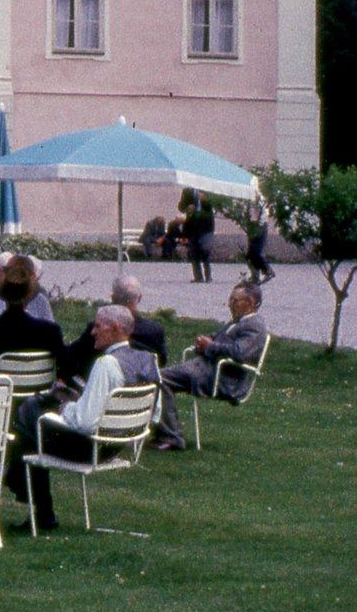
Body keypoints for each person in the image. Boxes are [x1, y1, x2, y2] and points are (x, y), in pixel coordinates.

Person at [6, 303, 161, 532]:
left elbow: (86, 422)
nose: (92, 332)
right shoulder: (148, 360)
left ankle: (33, 501)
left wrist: (65, 408)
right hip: (119, 444)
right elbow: (155, 414)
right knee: (30, 428)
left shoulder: (106, 364)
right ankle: (36, 506)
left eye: (98, 326)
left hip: (93, 448)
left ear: (116, 328)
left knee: (28, 416)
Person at [152, 283, 269, 450]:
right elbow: (220, 337)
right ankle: (166, 434)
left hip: (223, 379)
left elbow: (239, 352)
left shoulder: (255, 326)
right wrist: (206, 340)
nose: (230, 304)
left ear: (250, 303)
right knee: (156, 376)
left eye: (234, 300)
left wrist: (209, 346)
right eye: (230, 299)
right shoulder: (238, 321)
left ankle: (171, 437)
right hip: (206, 369)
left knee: (158, 377)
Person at [62, 273, 166, 380]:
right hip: (144, 390)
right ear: (140, 297)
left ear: (112, 298)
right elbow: (161, 362)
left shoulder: (101, 329)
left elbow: (71, 356)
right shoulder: (155, 330)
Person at [181, 189, 216, 283]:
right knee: (194, 252)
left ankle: (208, 276)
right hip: (192, 226)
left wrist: (204, 200)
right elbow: (181, 207)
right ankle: (198, 277)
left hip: (206, 226)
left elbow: (213, 208)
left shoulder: (207, 189)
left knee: (205, 250)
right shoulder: (187, 191)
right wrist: (188, 207)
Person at [245, 189, 275, 283]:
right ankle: (255, 275)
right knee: (251, 254)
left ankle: (267, 271)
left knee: (255, 252)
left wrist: (258, 224)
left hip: (259, 226)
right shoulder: (250, 200)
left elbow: (262, 214)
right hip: (254, 226)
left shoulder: (259, 200)